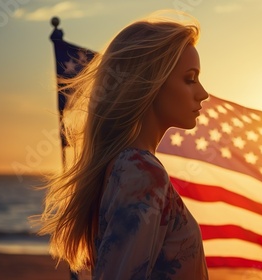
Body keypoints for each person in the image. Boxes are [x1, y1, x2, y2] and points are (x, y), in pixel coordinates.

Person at [36, 11, 209, 279]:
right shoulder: (140, 172)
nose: (203, 93)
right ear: (150, 84)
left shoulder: (127, 166)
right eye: (190, 78)